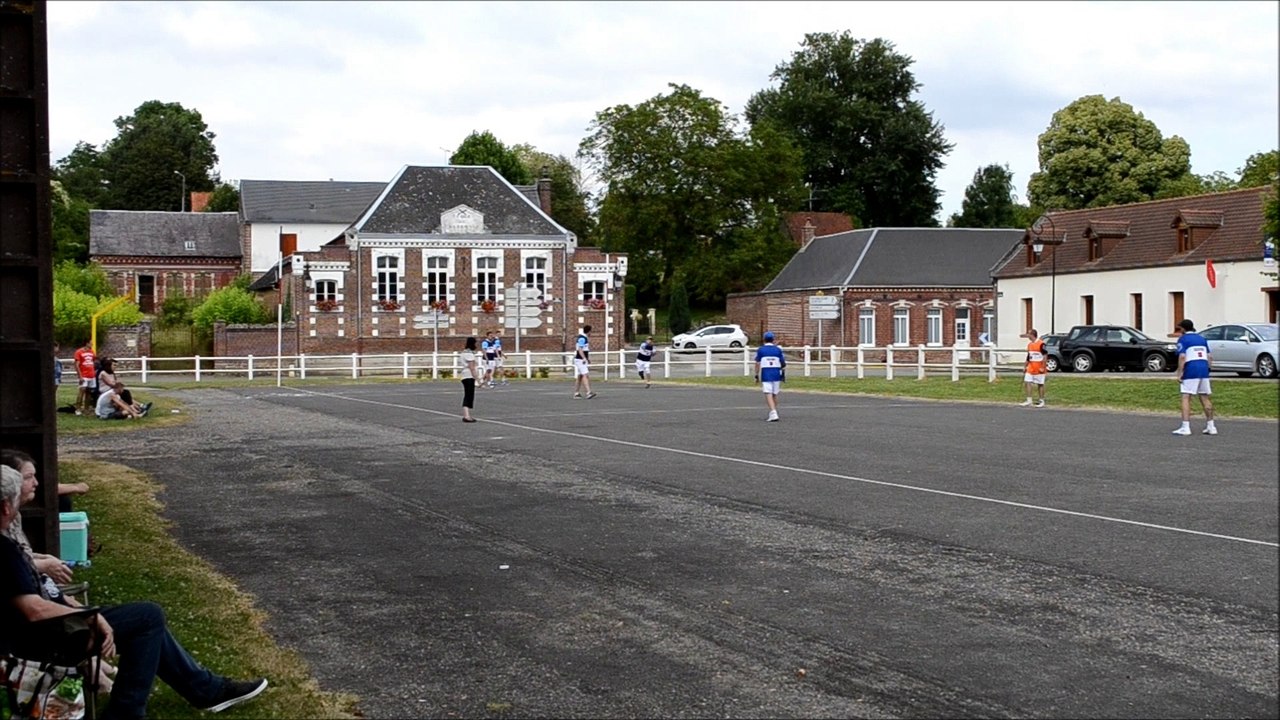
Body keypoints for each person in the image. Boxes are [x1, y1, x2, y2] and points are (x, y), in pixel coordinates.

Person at [0, 467, 269, 719]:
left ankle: (205, 691)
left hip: (31, 631)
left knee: (147, 623)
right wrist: (90, 616)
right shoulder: (4, 550)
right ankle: (132, 710)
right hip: (37, 639)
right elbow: (34, 609)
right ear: (5, 506)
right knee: (147, 618)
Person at [1172, 318, 1217, 436]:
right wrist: (1208, 369)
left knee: (1186, 396)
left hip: (1191, 369)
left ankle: (1185, 426)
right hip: (1203, 369)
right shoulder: (1202, 339)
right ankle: (1211, 426)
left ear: (1183, 329)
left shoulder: (1183, 339)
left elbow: (1182, 356)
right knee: (1205, 397)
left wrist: (1180, 373)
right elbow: (1209, 357)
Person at [753, 331, 786, 422]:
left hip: (766, 373)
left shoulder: (761, 350)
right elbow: (783, 363)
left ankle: (773, 412)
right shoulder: (778, 350)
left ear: (764, 339)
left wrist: (756, 374)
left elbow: (757, 363)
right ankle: (774, 411)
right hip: (776, 373)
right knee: (774, 394)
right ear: (773, 339)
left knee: (768, 393)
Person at [1019, 329, 1048, 407]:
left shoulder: (1041, 344)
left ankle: (1041, 401)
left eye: (1028, 334)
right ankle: (1029, 400)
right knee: (1027, 382)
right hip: (1031, 367)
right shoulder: (1030, 345)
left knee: (1040, 384)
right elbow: (1029, 356)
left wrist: (1043, 367)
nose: (1027, 336)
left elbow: (1045, 356)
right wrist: (1025, 366)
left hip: (1039, 368)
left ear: (1032, 335)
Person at [73, 340, 97, 416]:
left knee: (89, 392)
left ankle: (86, 409)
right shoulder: (79, 352)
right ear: (86, 343)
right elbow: (77, 365)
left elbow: (93, 361)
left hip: (91, 375)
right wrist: (80, 376)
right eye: (90, 343)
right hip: (84, 375)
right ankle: (78, 408)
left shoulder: (91, 352)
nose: (92, 344)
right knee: (82, 391)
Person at [574, 325, 596, 399]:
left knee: (580, 376)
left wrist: (587, 358)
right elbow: (580, 349)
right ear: (589, 331)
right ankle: (588, 392)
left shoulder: (583, 338)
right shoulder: (582, 338)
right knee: (585, 375)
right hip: (580, 360)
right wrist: (584, 358)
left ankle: (576, 393)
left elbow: (584, 350)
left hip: (580, 359)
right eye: (591, 331)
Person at [460, 336, 478, 423]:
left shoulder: (463, 353)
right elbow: (472, 367)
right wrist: (477, 379)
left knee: (468, 395)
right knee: (469, 395)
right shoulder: (469, 354)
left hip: (464, 375)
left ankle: (466, 414)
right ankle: (466, 416)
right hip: (469, 376)